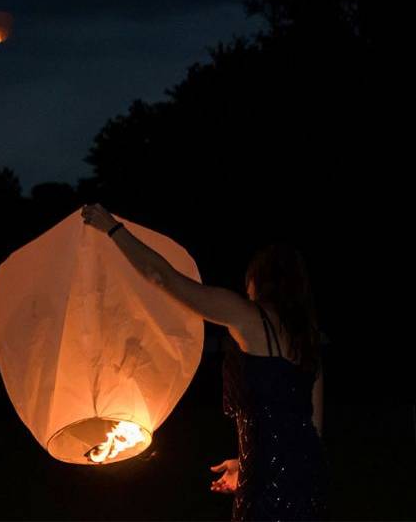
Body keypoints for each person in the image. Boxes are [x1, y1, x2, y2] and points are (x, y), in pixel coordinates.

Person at [81, 204, 327, 521]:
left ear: (258, 281)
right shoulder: (306, 340)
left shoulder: (250, 317)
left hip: (270, 488)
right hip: (308, 481)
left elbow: (163, 278)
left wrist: (112, 229)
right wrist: (247, 463)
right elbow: (311, 431)